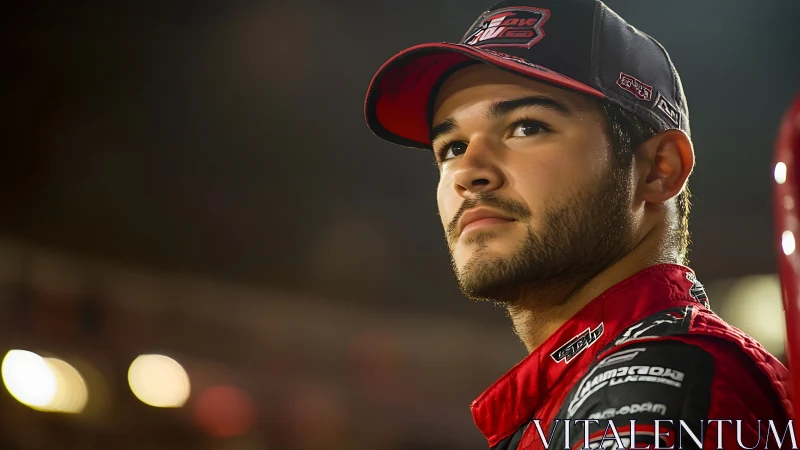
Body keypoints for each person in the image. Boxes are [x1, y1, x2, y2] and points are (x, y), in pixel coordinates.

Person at [363, 0, 792, 449]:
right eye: (451, 148)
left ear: (658, 169)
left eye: (526, 127)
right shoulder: (584, 391)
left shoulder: (648, 386)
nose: (469, 172)